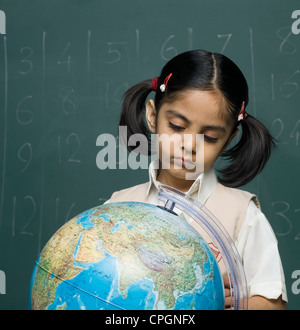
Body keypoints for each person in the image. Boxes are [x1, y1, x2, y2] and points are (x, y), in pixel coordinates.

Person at [105, 49, 287, 309]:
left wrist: (238, 305)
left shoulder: (242, 215)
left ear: (229, 140)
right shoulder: (117, 207)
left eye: (210, 137)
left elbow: (274, 302)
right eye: (177, 127)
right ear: (153, 115)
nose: (189, 145)